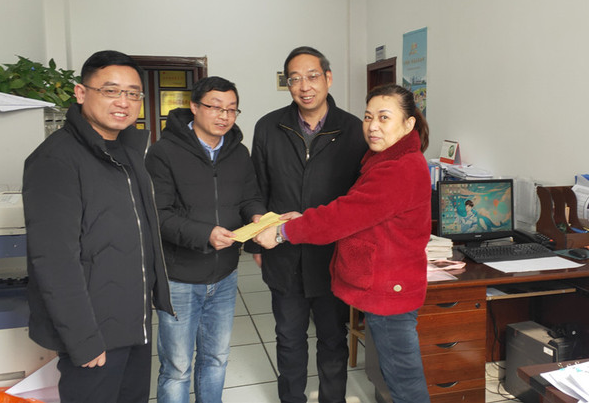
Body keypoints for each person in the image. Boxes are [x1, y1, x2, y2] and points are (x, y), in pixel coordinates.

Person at [255, 84, 432, 403]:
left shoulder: (399, 167)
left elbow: (343, 216)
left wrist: (283, 232)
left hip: (389, 287)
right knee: (397, 374)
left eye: (384, 117)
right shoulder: (384, 159)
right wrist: (303, 217)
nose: (372, 126)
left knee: (404, 381)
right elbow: (358, 208)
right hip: (386, 283)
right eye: (368, 116)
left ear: (408, 124)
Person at [22, 50, 174, 403]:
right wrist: (83, 339)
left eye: (133, 93)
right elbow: (54, 261)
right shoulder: (56, 160)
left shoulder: (128, 152)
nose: (124, 102)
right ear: (81, 93)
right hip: (94, 332)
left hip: (133, 320)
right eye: (111, 91)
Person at [250, 46, 368, 403]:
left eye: (312, 76)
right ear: (287, 84)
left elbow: (360, 199)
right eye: (295, 79)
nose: (304, 86)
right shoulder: (269, 126)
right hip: (284, 255)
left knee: (333, 338)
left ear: (328, 78)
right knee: (289, 338)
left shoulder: (354, 130)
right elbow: (256, 190)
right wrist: (256, 242)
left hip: (333, 256)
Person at [145, 76, 266, 402]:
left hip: (225, 275)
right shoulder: (163, 153)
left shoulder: (238, 153)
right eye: (215, 107)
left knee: (216, 358)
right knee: (177, 368)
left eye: (231, 109)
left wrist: (257, 216)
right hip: (180, 278)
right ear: (194, 107)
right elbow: (158, 215)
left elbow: (249, 198)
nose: (224, 116)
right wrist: (205, 235)